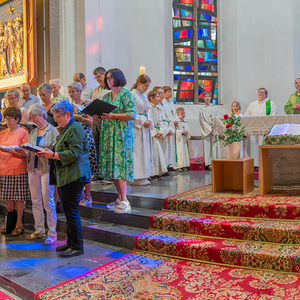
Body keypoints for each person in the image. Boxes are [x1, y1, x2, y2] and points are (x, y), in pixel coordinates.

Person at [37, 100, 91, 257]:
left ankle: (77, 246)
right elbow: (64, 148)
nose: (55, 119)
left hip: (75, 175)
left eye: (57, 116)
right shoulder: (67, 128)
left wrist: (53, 155)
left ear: (68, 114)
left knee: (72, 212)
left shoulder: (75, 128)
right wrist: (51, 151)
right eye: (53, 116)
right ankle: (70, 243)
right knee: (68, 212)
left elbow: (74, 153)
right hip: (68, 175)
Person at [93, 68, 136, 213]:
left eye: (111, 77)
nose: (108, 80)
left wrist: (113, 116)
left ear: (118, 77)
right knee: (113, 166)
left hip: (121, 135)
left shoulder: (126, 94)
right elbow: (103, 115)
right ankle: (119, 197)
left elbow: (132, 114)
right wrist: (97, 116)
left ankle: (125, 200)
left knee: (120, 166)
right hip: (108, 134)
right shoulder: (105, 96)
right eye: (107, 78)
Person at [17, 103, 59, 244]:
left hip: (46, 167)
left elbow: (55, 149)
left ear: (42, 115)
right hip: (33, 168)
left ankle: (52, 233)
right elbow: (30, 149)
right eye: (31, 117)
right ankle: (39, 229)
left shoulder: (53, 131)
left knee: (48, 200)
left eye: (34, 117)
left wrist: (45, 151)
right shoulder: (33, 132)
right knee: (35, 200)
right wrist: (24, 151)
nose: (32, 119)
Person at [0, 107, 30, 236]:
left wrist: (10, 151)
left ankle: (19, 223)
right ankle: (10, 224)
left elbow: (26, 154)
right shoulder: (2, 133)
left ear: (17, 119)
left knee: (19, 198)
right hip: (4, 168)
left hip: (18, 168)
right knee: (8, 197)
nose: (7, 122)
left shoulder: (23, 133)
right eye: (6, 119)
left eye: (10, 119)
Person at [68, 82, 98, 206]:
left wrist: (77, 117)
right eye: (69, 92)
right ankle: (78, 195)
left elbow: (90, 122)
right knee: (76, 167)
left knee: (86, 168)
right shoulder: (70, 105)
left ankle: (87, 195)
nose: (71, 94)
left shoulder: (87, 104)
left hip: (85, 137)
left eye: (73, 91)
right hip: (74, 138)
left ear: (80, 91)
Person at [244, 88, 277, 167]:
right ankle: (253, 164)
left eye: (262, 92)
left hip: (264, 131)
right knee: (253, 149)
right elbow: (246, 116)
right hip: (253, 131)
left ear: (266, 94)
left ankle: (263, 164)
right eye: (259, 92)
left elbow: (273, 116)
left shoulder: (270, 104)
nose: (260, 94)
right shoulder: (252, 104)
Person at [130, 74, 153, 186]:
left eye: (148, 86)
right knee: (138, 150)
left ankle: (143, 174)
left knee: (144, 150)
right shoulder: (132, 94)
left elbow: (148, 111)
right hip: (137, 127)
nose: (146, 88)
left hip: (144, 126)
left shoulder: (143, 96)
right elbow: (132, 112)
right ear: (139, 84)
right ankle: (136, 177)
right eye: (145, 85)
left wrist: (149, 120)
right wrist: (142, 121)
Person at [91, 67, 111, 182]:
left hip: (107, 121)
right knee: (97, 146)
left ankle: (108, 172)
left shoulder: (111, 89)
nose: (98, 79)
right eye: (95, 78)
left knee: (107, 147)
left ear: (105, 74)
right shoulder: (96, 90)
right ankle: (99, 172)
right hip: (95, 120)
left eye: (99, 76)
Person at [153, 86, 174, 173]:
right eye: (160, 93)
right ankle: (162, 169)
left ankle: (167, 166)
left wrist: (171, 129)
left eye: (162, 92)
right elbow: (158, 120)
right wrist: (164, 131)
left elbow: (170, 118)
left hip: (167, 128)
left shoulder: (166, 105)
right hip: (161, 130)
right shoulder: (155, 106)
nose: (162, 95)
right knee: (162, 150)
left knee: (167, 150)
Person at [148, 90, 167, 179]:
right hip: (151, 133)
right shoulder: (149, 107)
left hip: (156, 132)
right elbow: (149, 121)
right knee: (153, 153)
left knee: (157, 153)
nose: (160, 98)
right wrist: (154, 133)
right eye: (157, 96)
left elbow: (160, 121)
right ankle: (152, 172)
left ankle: (156, 172)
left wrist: (160, 131)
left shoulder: (157, 108)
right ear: (151, 98)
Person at [199, 91, 221, 170]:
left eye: (209, 96)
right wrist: (209, 129)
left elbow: (218, 118)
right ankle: (208, 163)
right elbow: (202, 121)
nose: (207, 98)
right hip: (207, 130)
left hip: (214, 129)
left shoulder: (214, 107)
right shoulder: (202, 109)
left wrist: (215, 128)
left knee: (215, 146)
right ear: (203, 98)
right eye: (206, 96)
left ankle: (216, 161)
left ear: (211, 98)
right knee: (208, 146)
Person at [163, 86, 177, 171]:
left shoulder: (171, 104)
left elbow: (174, 115)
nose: (170, 93)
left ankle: (170, 163)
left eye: (171, 92)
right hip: (167, 127)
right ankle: (166, 164)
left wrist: (175, 121)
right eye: (168, 91)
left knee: (171, 146)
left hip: (172, 126)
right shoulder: (163, 103)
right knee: (166, 146)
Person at [175, 107, 190, 171]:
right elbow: (175, 131)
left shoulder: (185, 123)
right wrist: (181, 132)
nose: (183, 114)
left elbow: (188, 130)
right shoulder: (176, 122)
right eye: (182, 113)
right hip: (179, 140)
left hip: (184, 139)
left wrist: (187, 132)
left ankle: (185, 165)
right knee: (180, 152)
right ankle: (179, 166)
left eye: (184, 113)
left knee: (185, 152)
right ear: (178, 114)